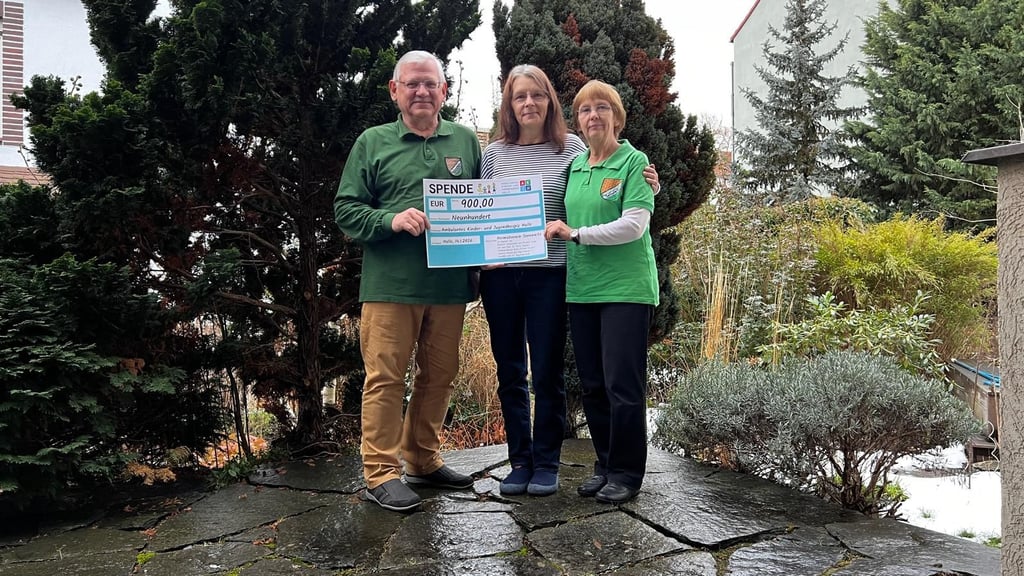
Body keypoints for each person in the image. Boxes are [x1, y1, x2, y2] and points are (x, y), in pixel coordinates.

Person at [482, 67, 659, 497]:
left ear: (549, 103)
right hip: (506, 278)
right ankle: (520, 460)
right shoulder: (493, 154)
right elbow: (479, 209)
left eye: (537, 95)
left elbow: (618, 199)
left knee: (548, 372)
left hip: (554, 274)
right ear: (509, 103)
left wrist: (650, 182)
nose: (528, 103)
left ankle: (547, 462)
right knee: (512, 372)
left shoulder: (572, 150)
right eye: (519, 96)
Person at [334, 50, 481, 512]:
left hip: (449, 288)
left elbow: (483, 208)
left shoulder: (465, 140)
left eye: (430, 84)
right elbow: (345, 210)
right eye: (412, 84)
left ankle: (422, 459)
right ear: (395, 91)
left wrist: (493, 252)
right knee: (386, 379)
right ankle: (380, 473)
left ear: (444, 91)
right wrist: (390, 220)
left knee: (439, 377)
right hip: (390, 287)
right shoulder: (372, 142)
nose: (422, 91)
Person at [544, 79, 659, 505]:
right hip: (583, 289)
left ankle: (628, 473)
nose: (594, 116)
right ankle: (606, 464)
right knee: (593, 384)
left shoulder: (634, 162)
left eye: (602, 108)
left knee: (622, 385)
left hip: (627, 290)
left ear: (617, 116)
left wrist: (575, 234)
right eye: (586, 109)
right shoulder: (576, 165)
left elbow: (634, 225)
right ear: (578, 120)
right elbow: (546, 210)